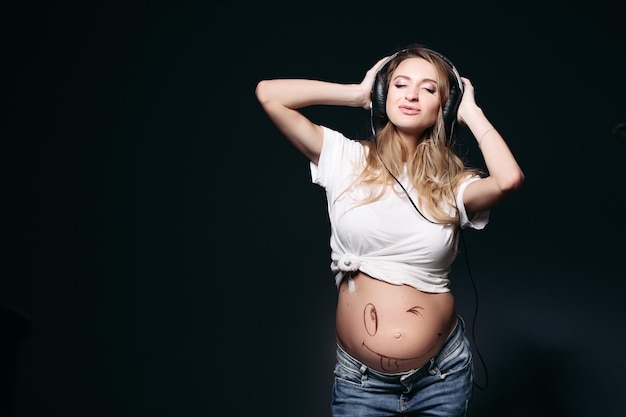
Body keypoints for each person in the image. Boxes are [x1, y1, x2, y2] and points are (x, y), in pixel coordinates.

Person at [255, 44, 524, 417]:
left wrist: (472, 114)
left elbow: (509, 180)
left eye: (429, 89)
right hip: (361, 383)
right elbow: (269, 94)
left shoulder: (453, 187)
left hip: (442, 376)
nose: (412, 95)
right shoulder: (344, 158)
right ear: (384, 96)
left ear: (444, 108)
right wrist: (357, 93)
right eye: (399, 84)